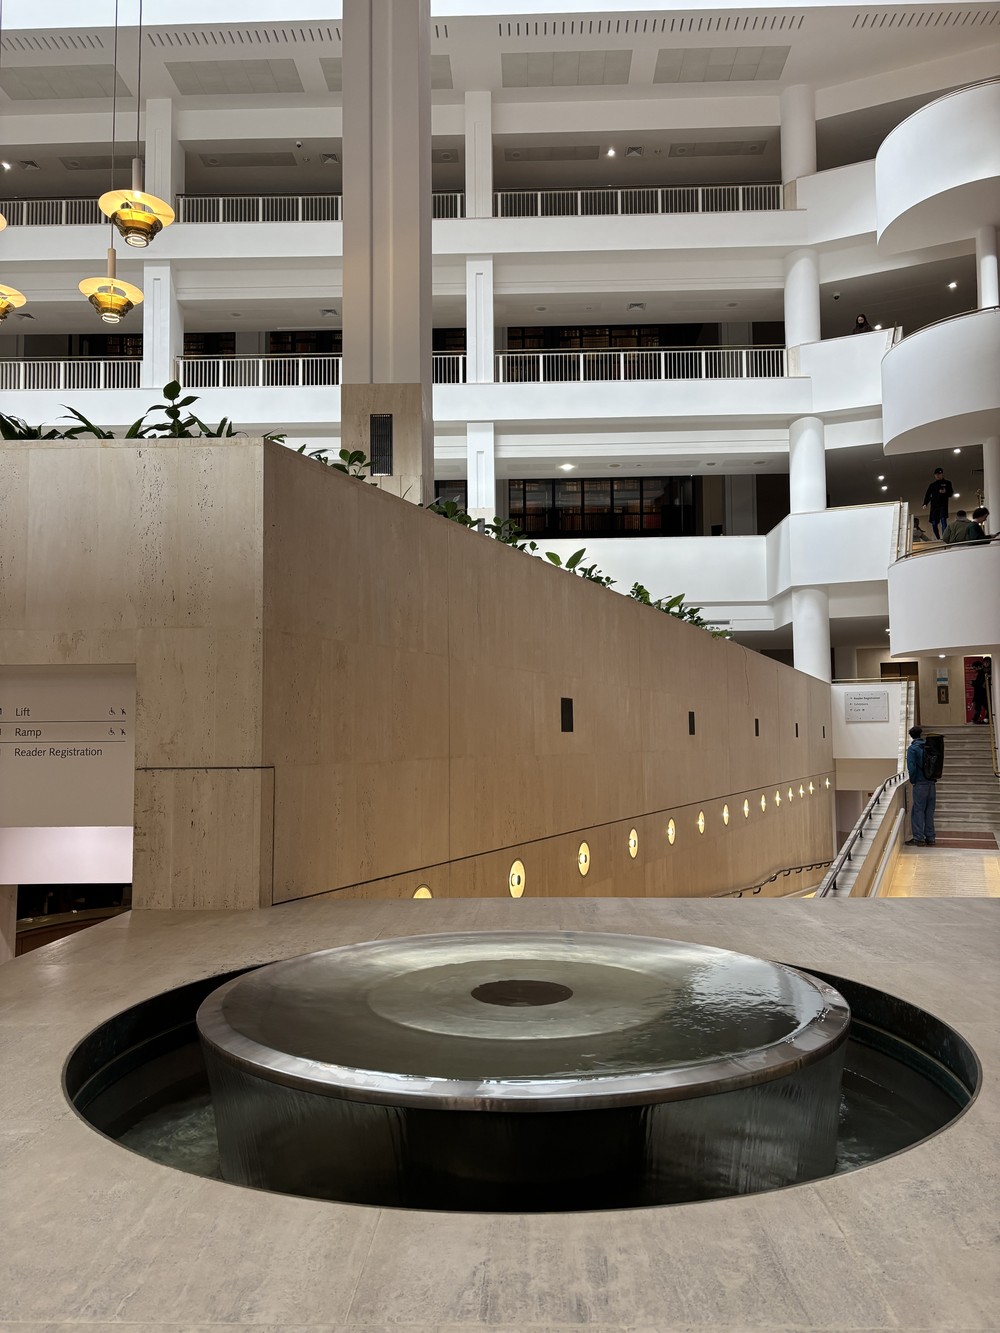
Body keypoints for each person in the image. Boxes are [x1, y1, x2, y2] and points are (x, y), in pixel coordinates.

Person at [905, 726, 937, 846]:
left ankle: (918, 838)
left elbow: (912, 767)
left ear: (911, 736)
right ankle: (930, 837)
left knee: (918, 810)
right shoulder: (928, 747)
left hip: (920, 783)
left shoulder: (913, 749)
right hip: (931, 783)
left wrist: (913, 781)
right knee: (929, 811)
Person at [922, 467, 954, 540]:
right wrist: (925, 503)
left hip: (943, 505)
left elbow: (951, 493)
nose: (937, 476)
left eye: (939, 474)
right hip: (934, 506)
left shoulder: (947, 483)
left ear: (942, 474)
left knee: (943, 520)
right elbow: (928, 495)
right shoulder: (932, 485)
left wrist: (945, 492)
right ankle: (938, 538)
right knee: (934, 523)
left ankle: (944, 537)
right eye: (936, 475)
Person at [970, 660, 991, 724]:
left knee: (983, 708)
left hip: (981, 695)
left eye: (975, 668)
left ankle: (977, 720)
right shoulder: (981, 673)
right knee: (985, 708)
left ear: (979, 667)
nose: (974, 670)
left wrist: (973, 683)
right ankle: (983, 719)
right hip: (981, 695)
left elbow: (979, 684)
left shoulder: (982, 673)